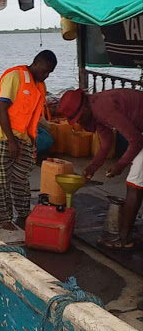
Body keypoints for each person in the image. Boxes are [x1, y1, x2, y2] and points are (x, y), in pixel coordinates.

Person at [58, 88, 143, 249]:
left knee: (134, 183)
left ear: (85, 109)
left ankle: (124, 240)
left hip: (140, 135)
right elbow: (106, 143)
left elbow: (136, 140)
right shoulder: (95, 110)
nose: (79, 123)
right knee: (136, 180)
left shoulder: (104, 108)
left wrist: (120, 165)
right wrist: (92, 167)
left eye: (79, 118)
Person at [0, 50, 57, 230]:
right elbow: (2, 109)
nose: (46, 75)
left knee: (21, 179)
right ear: (36, 63)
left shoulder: (40, 86)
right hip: (3, 137)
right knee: (1, 180)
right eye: (45, 71)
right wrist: (11, 141)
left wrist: (30, 142)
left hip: (25, 139)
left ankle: (24, 215)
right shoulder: (15, 76)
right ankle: (4, 218)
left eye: (50, 73)